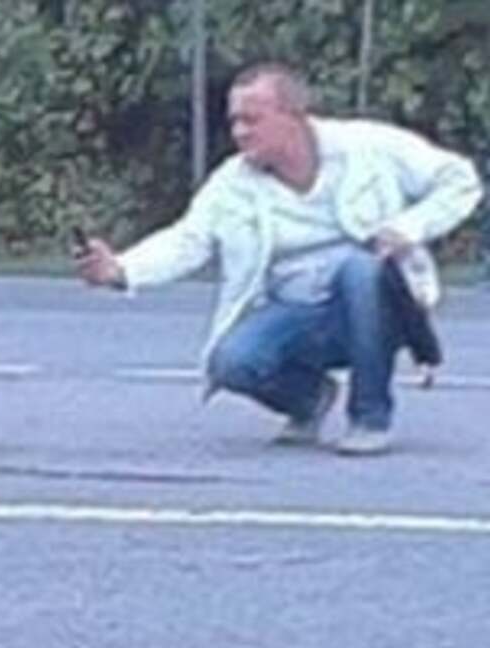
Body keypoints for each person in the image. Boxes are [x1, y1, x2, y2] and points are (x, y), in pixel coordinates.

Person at [76, 63, 480, 455]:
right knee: (231, 362)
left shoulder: (370, 146)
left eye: (252, 120)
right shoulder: (232, 184)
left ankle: (370, 417)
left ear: (294, 116)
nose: (239, 132)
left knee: (361, 269)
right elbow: (188, 240)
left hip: (379, 307)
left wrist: (408, 228)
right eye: (235, 122)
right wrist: (121, 270)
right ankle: (307, 399)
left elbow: (460, 181)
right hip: (295, 311)